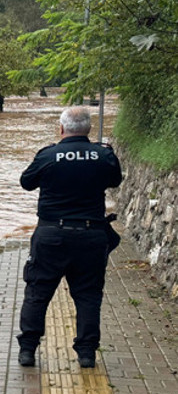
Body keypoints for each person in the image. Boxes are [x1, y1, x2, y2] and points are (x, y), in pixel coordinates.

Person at [16, 106, 123, 368]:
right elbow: (115, 180)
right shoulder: (103, 155)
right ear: (88, 129)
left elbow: (26, 182)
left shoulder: (49, 155)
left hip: (51, 235)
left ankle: (28, 351)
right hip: (91, 235)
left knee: (38, 292)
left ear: (62, 128)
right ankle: (86, 354)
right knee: (88, 295)